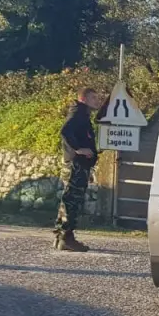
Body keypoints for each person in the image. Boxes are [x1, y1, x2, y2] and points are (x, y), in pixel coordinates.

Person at [55, 88, 105, 252]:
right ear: (84, 99)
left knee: (68, 200)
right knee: (72, 201)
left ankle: (61, 238)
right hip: (76, 166)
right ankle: (67, 238)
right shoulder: (78, 113)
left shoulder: (82, 114)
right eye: (93, 98)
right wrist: (78, 149)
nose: (97, 101)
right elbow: (65, 131)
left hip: (78, 165)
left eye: (97, 98)